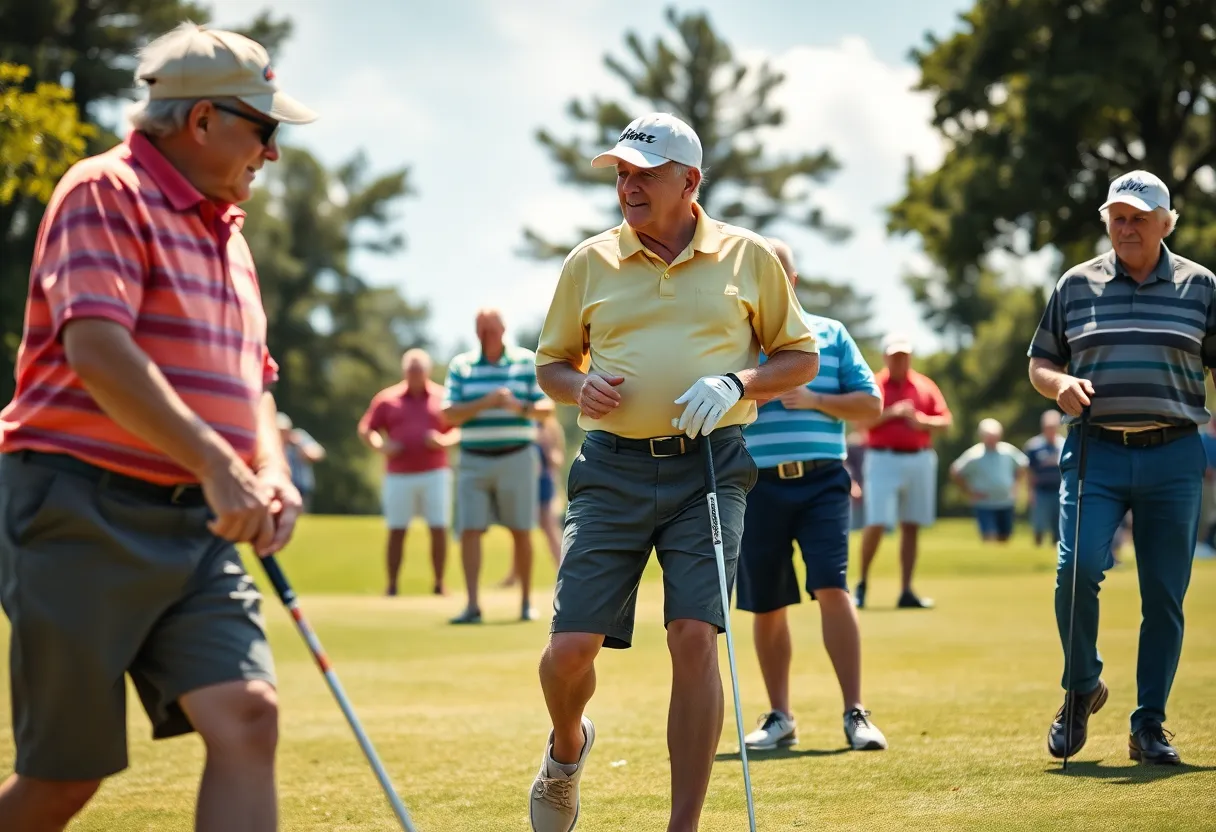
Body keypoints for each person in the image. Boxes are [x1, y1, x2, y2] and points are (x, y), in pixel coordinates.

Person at [0, 22, 315, 830]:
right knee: (64, 779)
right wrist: (216, 463)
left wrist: (270, 470)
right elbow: (97, 349)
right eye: (263, 129)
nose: (272, 153)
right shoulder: (104, 191)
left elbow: (253, 384)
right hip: (80, 511)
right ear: (202, 120)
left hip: (198, 527)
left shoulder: (230, 235)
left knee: (249, 714)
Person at [528, 112, 818, 832]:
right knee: (568, 653)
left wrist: (739, 382)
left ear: (689, 182)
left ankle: (681, 825)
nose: (627, 186)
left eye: (644, 175)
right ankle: (567, 747)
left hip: (710, 469)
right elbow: (551, 364)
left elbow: (800, 357)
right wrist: (578, 386)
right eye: (622, 174)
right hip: (611, 471)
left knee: (694, 636)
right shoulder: (589, 261)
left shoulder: (749, 257)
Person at [1028, 169, 1216, 766]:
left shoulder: (1202, 286)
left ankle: (1148, 725)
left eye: (1138, 218)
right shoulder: (1075, 283)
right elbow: (1041, 362)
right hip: (1096, 450)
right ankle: (1082, 686)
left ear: (1165, 224)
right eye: (1117, 218)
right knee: (1076, 569)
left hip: (1175, 452)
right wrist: (1059, 385)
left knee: (1164, 593)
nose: (1126, 228)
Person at [737, 238, 887, 755]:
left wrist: (815, 398)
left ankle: (855, 712)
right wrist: (756, 391)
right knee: (767, 602)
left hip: (823, 482)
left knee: (832, 586)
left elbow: (871, 405)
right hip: (756, 485)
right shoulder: (734, 341)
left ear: (792, 280)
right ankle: (780, 716)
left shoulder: (830, 333)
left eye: (775, 274)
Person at [444, 309, 553, 624]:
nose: (486, 335)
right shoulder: (461, 365)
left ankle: (526, 602)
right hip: (473, 459)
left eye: (491, 329)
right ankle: (472, 605)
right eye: (481, 329)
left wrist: (518, 407)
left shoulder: (525, 361)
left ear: (503, 330)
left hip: (517, 456)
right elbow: (449, 413)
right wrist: (486, 402)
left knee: (521, 529)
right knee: (470, 529)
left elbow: (546, 408)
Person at [854, 333, 952, 609]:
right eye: (895, 356)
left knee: (911, 524)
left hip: (919, 458)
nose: (901, 361)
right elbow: (861, 422)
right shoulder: (873, 384)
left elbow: (945, 421)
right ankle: (862, 584)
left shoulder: (924, 385)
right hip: (882, 458)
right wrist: (893, 413)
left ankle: (906, 590)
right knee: (876, 521)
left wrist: (922, 422)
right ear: (886, 357)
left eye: (905, 356)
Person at [358, 348, 458, 596]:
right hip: (398, 473)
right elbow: (367, 428)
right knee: (397, 529)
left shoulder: (443, 397)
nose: (415, 375)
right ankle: (392, 585)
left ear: (427, 371)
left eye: (419, 371)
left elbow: (459, 428)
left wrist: (443, 441)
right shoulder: (387, 399)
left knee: (438, 527)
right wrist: (382, 446)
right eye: (411, 371)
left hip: (435, 472)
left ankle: (439, 583)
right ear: (404, 372)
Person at [500, 414, 567, 587]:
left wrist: (548, 450)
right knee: (520, 529)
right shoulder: (520, 420)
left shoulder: (549, 426)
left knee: (549, 528)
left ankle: (565, 572)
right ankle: (513, 575)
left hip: (543, 482)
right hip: (523, 481)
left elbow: (557, 457)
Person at [949, 418, 1029, 543]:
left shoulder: (1008, 451)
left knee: (1005, 538)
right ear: (982, 437)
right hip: (984, 503)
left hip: (1006, 501)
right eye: (989, 437)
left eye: (995, 436)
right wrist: (969, 492)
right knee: (989, 537)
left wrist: (1015, 485)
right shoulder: (974, 454)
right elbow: (955, 471)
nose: (993, 440)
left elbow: (1023, 466)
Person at [1023, 409, 1066, 546]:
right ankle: (1038, 545)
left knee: (1058, 521)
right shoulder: (1033, 446)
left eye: (1053, 427)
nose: (1051, 430)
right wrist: (1030, 491)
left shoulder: (1064, 444)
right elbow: (1029, 471)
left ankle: (1056, 546)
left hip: (1060, 490)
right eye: (1048, 427)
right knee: (1039, 522)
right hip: (1041, 490)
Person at [277, 412, 325, 512]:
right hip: (281, 487)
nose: (283, 434)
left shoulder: (299, 437)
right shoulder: (270, 443)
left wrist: (300, 446)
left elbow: (318, 453)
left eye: (285, 430)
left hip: (301, 488)